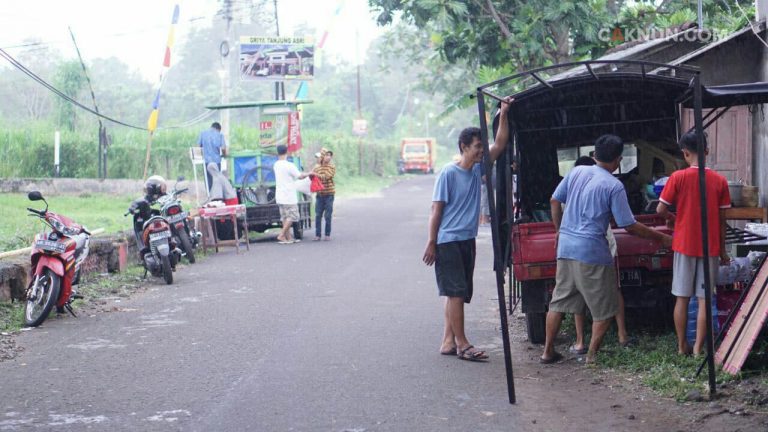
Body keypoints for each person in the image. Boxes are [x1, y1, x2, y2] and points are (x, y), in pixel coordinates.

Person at [541, 135, 672, 365]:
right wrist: (660, 237)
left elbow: (554, 200)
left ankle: (547, 352)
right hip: (592, 252)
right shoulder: (613, 185)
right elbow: (628, 224)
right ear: (618, 160)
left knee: (558, 303)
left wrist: (559, 230)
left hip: (566, 248)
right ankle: (591, 356)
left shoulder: (577, 172)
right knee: (605, 309)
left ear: (595, 155)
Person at [422, 96, 513, 362]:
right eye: (476, 147)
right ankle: (462, 344)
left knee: (456, 293)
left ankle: (448, 341)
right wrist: (431, 242)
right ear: (463, 147)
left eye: (481, 148)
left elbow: (500, 143)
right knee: (456, 292)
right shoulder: (448, 174)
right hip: (448, 241)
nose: (481, 151)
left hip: (466, 240)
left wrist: (504, 113)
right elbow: (435, 210)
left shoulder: (476, 171)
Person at [656, 131, 730, 356]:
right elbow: (722, 221)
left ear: (685, 153)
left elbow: (661, 209)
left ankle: (682, 346)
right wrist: (724, 252)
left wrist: (675, 219)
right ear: (707, 152)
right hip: (710, 248)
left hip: (684, 245)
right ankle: (698, 348)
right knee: (704, 299)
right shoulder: (720, 181)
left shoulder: (677, 178)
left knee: (682, 298)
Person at [568, 155, 632, 355]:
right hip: (598, 244)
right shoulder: (606, 184)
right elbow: (624, 220)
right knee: (612, 291)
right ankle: (619, 336)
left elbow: (555, 203)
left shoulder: (572, 188)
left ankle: (581, 342)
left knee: (581, 295)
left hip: (576, 246)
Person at [274, 144, 310, 244]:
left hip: (280, 196)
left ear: (278, 153)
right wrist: (309, 173)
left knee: (285, 217)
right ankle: (281, 235)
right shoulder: (289, 165)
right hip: (289, 196)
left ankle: (288, 238)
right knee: (293, 216)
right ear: (287, 152)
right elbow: (300, 176)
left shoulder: (276, 164)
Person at [313, 149, 336, 241]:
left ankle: (327, 234)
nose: (328, 157)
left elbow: (327, 176)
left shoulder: (332, 167)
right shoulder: (317, 167)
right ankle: (318, 235)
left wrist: (315, 174)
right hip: (319, 195)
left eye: (330, 155)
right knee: (318, 215)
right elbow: (313, 177)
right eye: (326, 155)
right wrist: (312, 175)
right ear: (322, 156)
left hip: (329, 194)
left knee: (328, 215)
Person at [198, 122, 228, 191]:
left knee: (208, 178)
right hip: (216, 161)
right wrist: (224, 155)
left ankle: (209, 195)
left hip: (206, 161)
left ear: (211, 126)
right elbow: (223, 148)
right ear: (218, 129)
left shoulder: (203, 133)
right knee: (217, 178)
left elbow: (199, 146)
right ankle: (217, 195)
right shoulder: (220, 135)